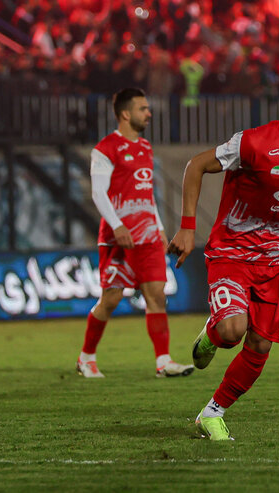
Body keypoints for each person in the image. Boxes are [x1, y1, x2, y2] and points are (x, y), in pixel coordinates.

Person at [168, 68, 279, 441]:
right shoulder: (255, 143)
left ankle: (212, 413)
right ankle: (211, 336)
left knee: (260, 343)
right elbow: (196, 165)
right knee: (232, 331)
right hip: (232, 253)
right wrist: (187, 227)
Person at [77, 87, 193, 379]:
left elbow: (147, 194)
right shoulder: (105, 149)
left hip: (148, 236)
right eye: (143, 108)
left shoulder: (145, 147)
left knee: (156, 294)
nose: (148, 113)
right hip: (118, 237)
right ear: (126, 114)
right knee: (112, 299)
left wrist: (161, 227)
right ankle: (86, 357)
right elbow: (98, 193)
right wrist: (117, 225)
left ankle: (163, 362)